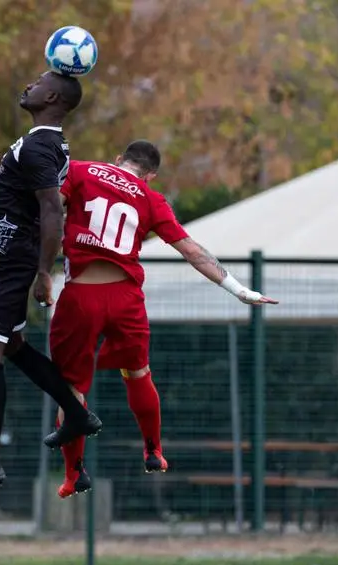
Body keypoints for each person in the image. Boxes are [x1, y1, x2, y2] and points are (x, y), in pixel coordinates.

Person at [41, 140, 278, 498]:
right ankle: (153, 450)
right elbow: (192, 251)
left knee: (71, 389)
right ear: (150, 175)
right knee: (137, 372)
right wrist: (239, 290)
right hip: (125, 299)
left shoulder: (80, 170)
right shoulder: (151, 199)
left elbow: (47, 205)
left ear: (118, 159)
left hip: (80, 296)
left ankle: (75, 474)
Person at [0, 71, 102, 492]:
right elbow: (33, 197)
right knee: (11, 346)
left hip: (4, 259)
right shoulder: (46, 144)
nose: (28, 84)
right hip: (9, 255)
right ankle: (77, 413)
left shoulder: (38, 144)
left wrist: (44, 272)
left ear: (50, 96)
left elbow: (52, 209)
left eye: (37, 81)